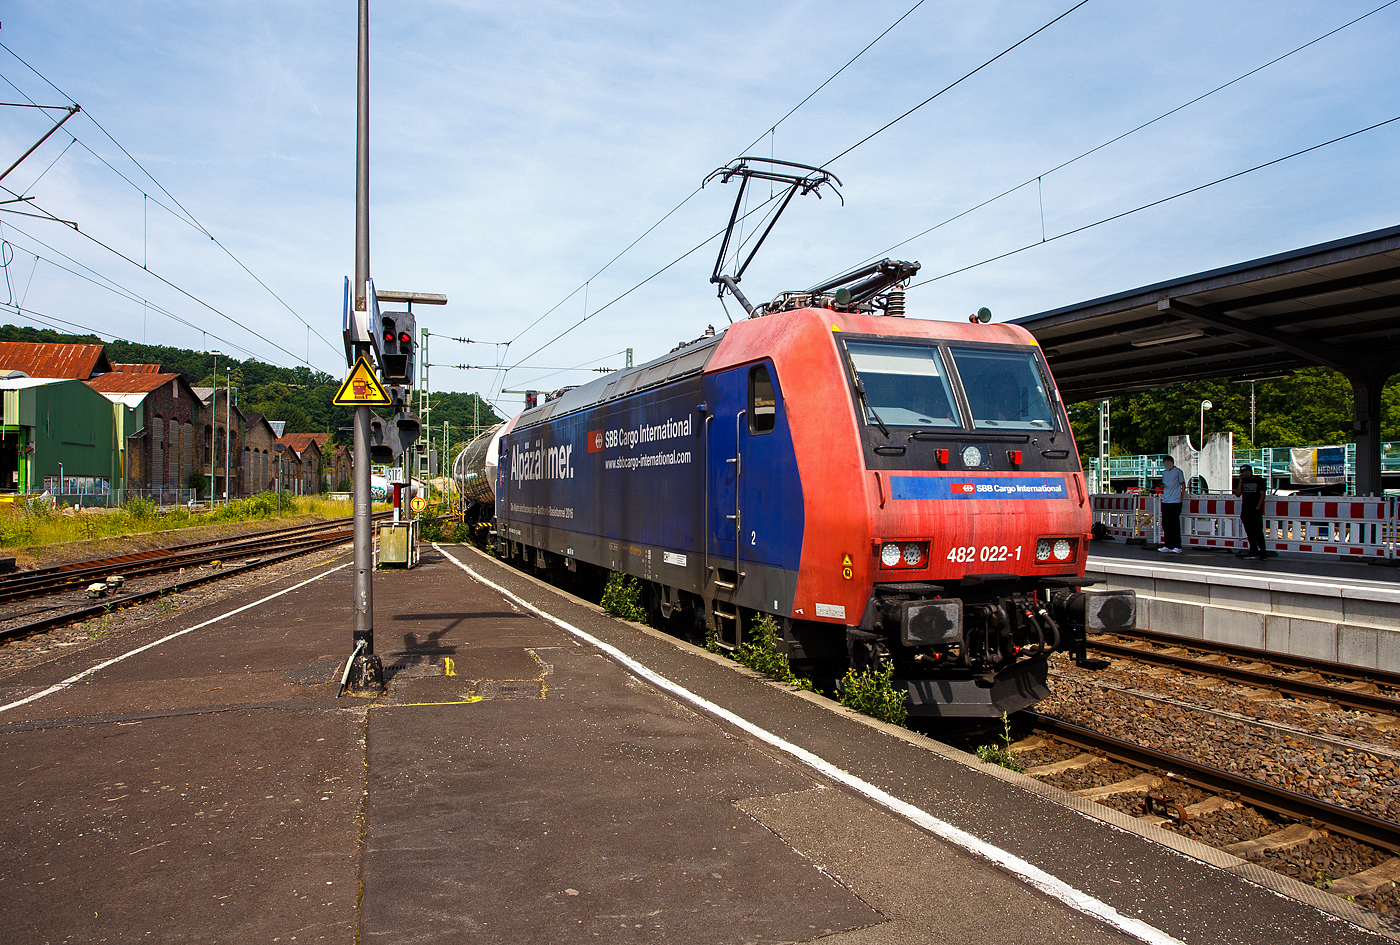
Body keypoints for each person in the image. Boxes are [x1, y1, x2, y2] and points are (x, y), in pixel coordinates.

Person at [1234, 464, 1268, 559]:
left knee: (1258, 531)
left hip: (1255, 509)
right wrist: (1240, 482)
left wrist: (1258, 507)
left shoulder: (1259, 481)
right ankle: (1253, 550)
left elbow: (1262, 495)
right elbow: (1237, 494)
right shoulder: (1243, 481)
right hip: (1245, 509)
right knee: (1249, 532)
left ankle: (1263, 551)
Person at [1158, 455, 1186, 553]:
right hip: (1166, 500)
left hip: (1175, 501)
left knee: (1174, 524)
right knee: (1166, 524)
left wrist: (1180, 499)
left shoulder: (1178, 471)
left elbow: (1183, 485)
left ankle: (1177, 545)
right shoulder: (1164, 473)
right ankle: (1168, 544)